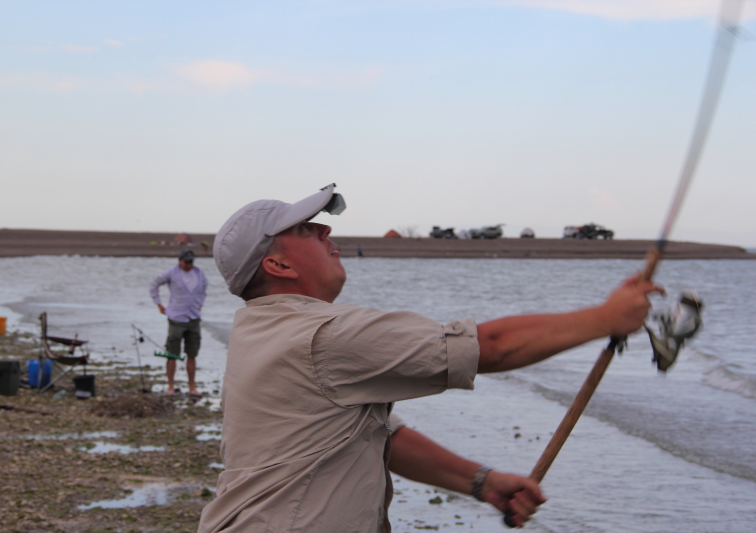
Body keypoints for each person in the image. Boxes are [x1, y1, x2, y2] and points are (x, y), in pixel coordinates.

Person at [198, 184, 662, 532]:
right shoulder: (322, 335)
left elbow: (382, 434)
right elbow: (490, 347)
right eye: (305, 228)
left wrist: (483, 482)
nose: (325, 229)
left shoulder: (259, 330)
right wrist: (605, 318)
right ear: (278, 265)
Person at [149, 248, 208, 396]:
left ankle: (192, 387)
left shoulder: (199, 272)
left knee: (192, 353)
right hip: (176, 318)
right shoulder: (171, 272)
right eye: (186, 262)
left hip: (194, 318)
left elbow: (204, 288)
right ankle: (170, 387)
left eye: (191, 262)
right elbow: (154, 284)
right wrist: (158, 304)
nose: (189, 265)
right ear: (179, 261)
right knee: (172, 354)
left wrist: (200, 303)